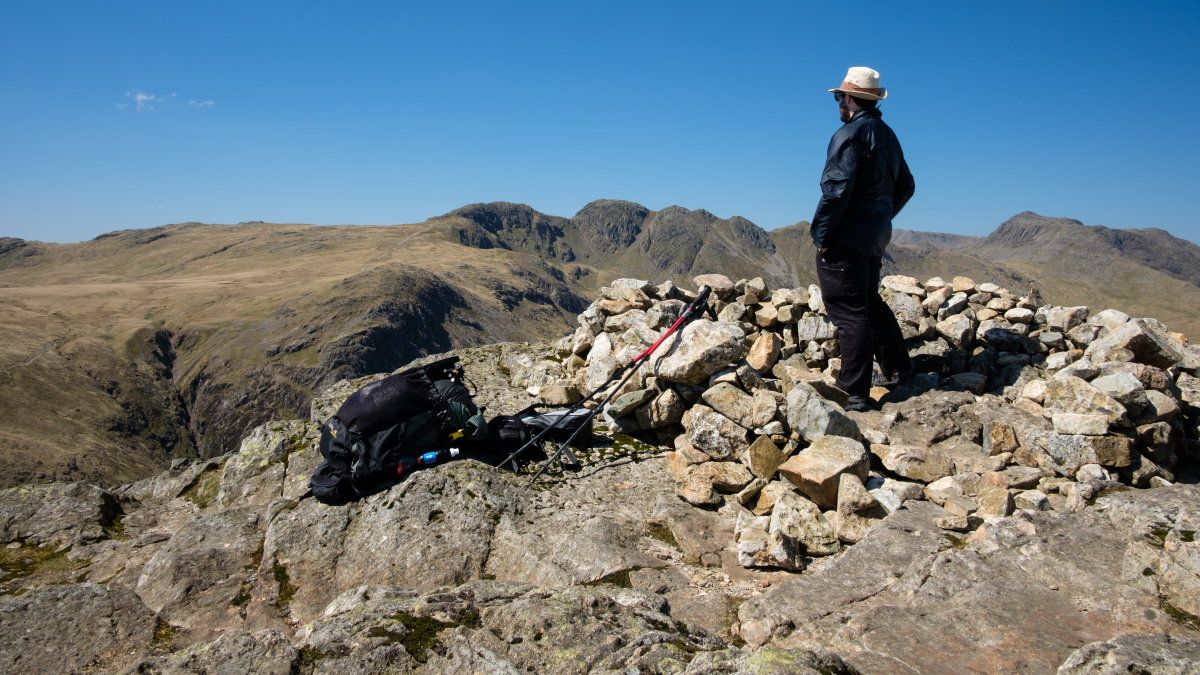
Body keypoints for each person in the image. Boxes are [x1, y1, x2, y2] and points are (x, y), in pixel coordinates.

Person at [810, 66, 915, 411]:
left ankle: (853, 392)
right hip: (873, 238)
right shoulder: (888, 135)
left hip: (846, 238)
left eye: (840, 96)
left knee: (848, 312)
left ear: (851, 99)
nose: (838, 102)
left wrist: (823, 236)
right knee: (868, 302)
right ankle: (900, 369)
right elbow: (907, 186)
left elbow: (836, 192)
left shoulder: (849, 135)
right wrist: (880, 218)